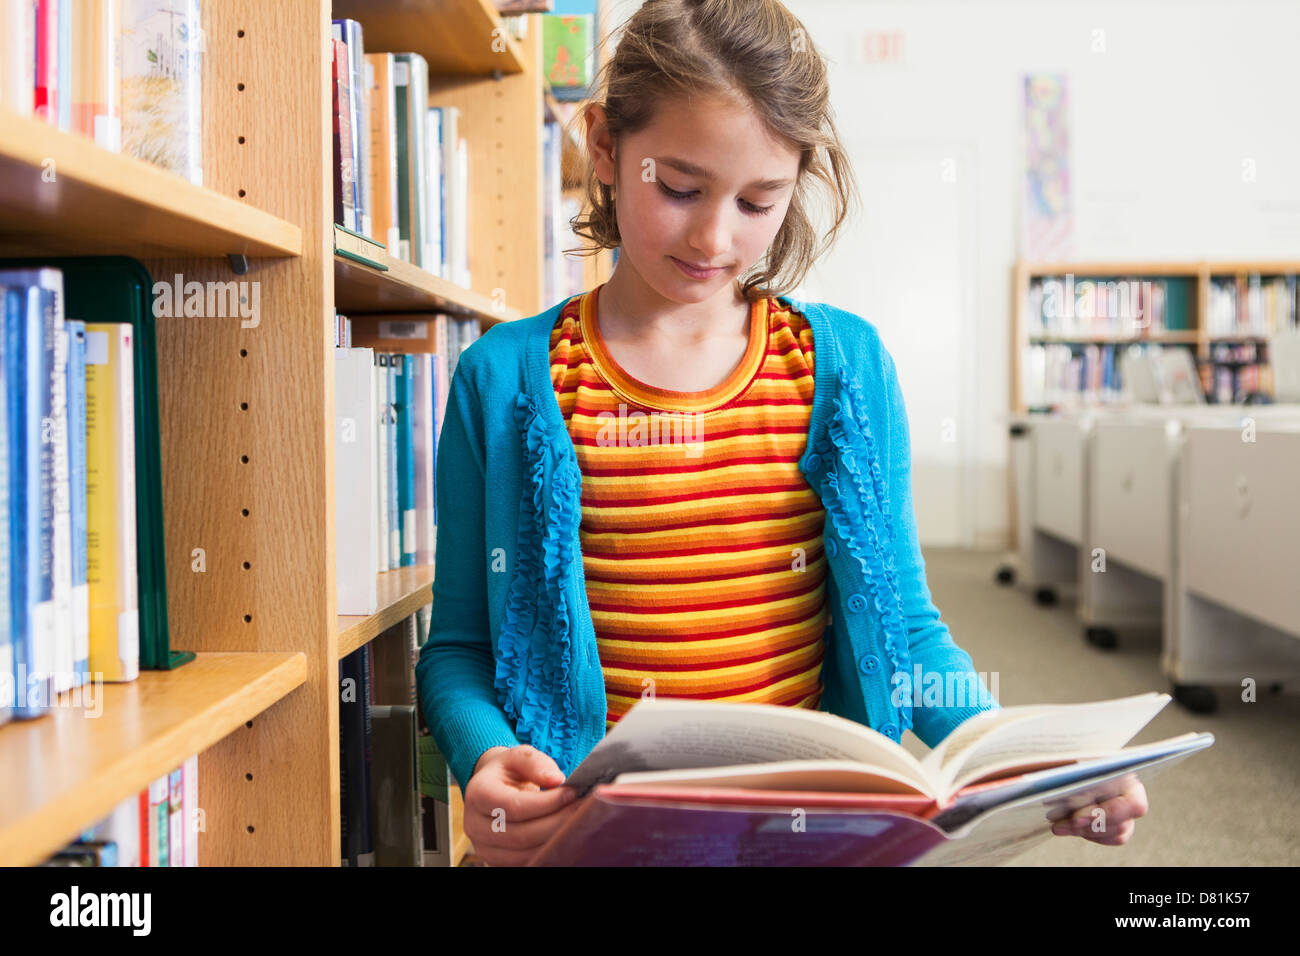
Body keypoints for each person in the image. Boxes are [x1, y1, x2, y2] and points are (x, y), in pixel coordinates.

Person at [415, 0, 1147, 866]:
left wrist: (1028, 761)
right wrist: (485, 756)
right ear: (605, 147)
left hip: (791, 839)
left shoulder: (843, 367)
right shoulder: (503, 379)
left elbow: (902, 631)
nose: (715, 237)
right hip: (588, 843)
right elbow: (457, 649)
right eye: (679, 188)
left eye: (759, 201)